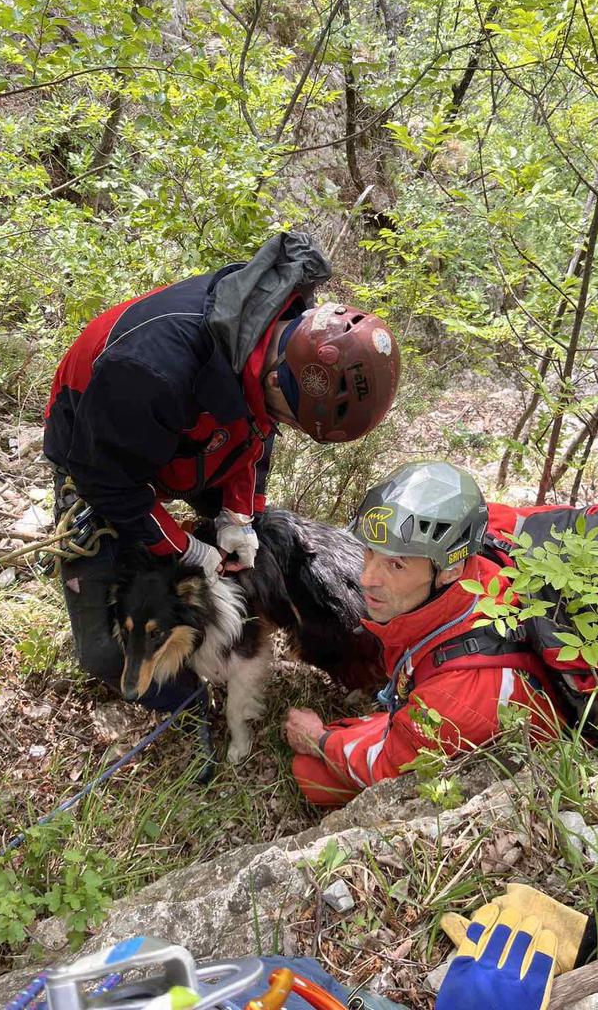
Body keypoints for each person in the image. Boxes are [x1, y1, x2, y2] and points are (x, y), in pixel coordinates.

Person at [44, 232, 400, 710]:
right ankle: (190, 706)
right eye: (289, 417)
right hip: (99, 451)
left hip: (191, 433)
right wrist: (183, 547)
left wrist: (239, 516)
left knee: (253, 546)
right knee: (105, 650)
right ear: (276, 375)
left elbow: (255, 430)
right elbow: (108, 481)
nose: (282, 426)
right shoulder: (150, 371)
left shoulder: (276, 339)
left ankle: (240, 630)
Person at [285, 461, 558, 807]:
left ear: (449, 571)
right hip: (465, 694)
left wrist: (318, 740)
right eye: (370, 551)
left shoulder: (454, 697)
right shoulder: (489, 532)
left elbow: (383, 768)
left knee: (311, 773)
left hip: (473, 707)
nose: (367, 578)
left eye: (396, 565)